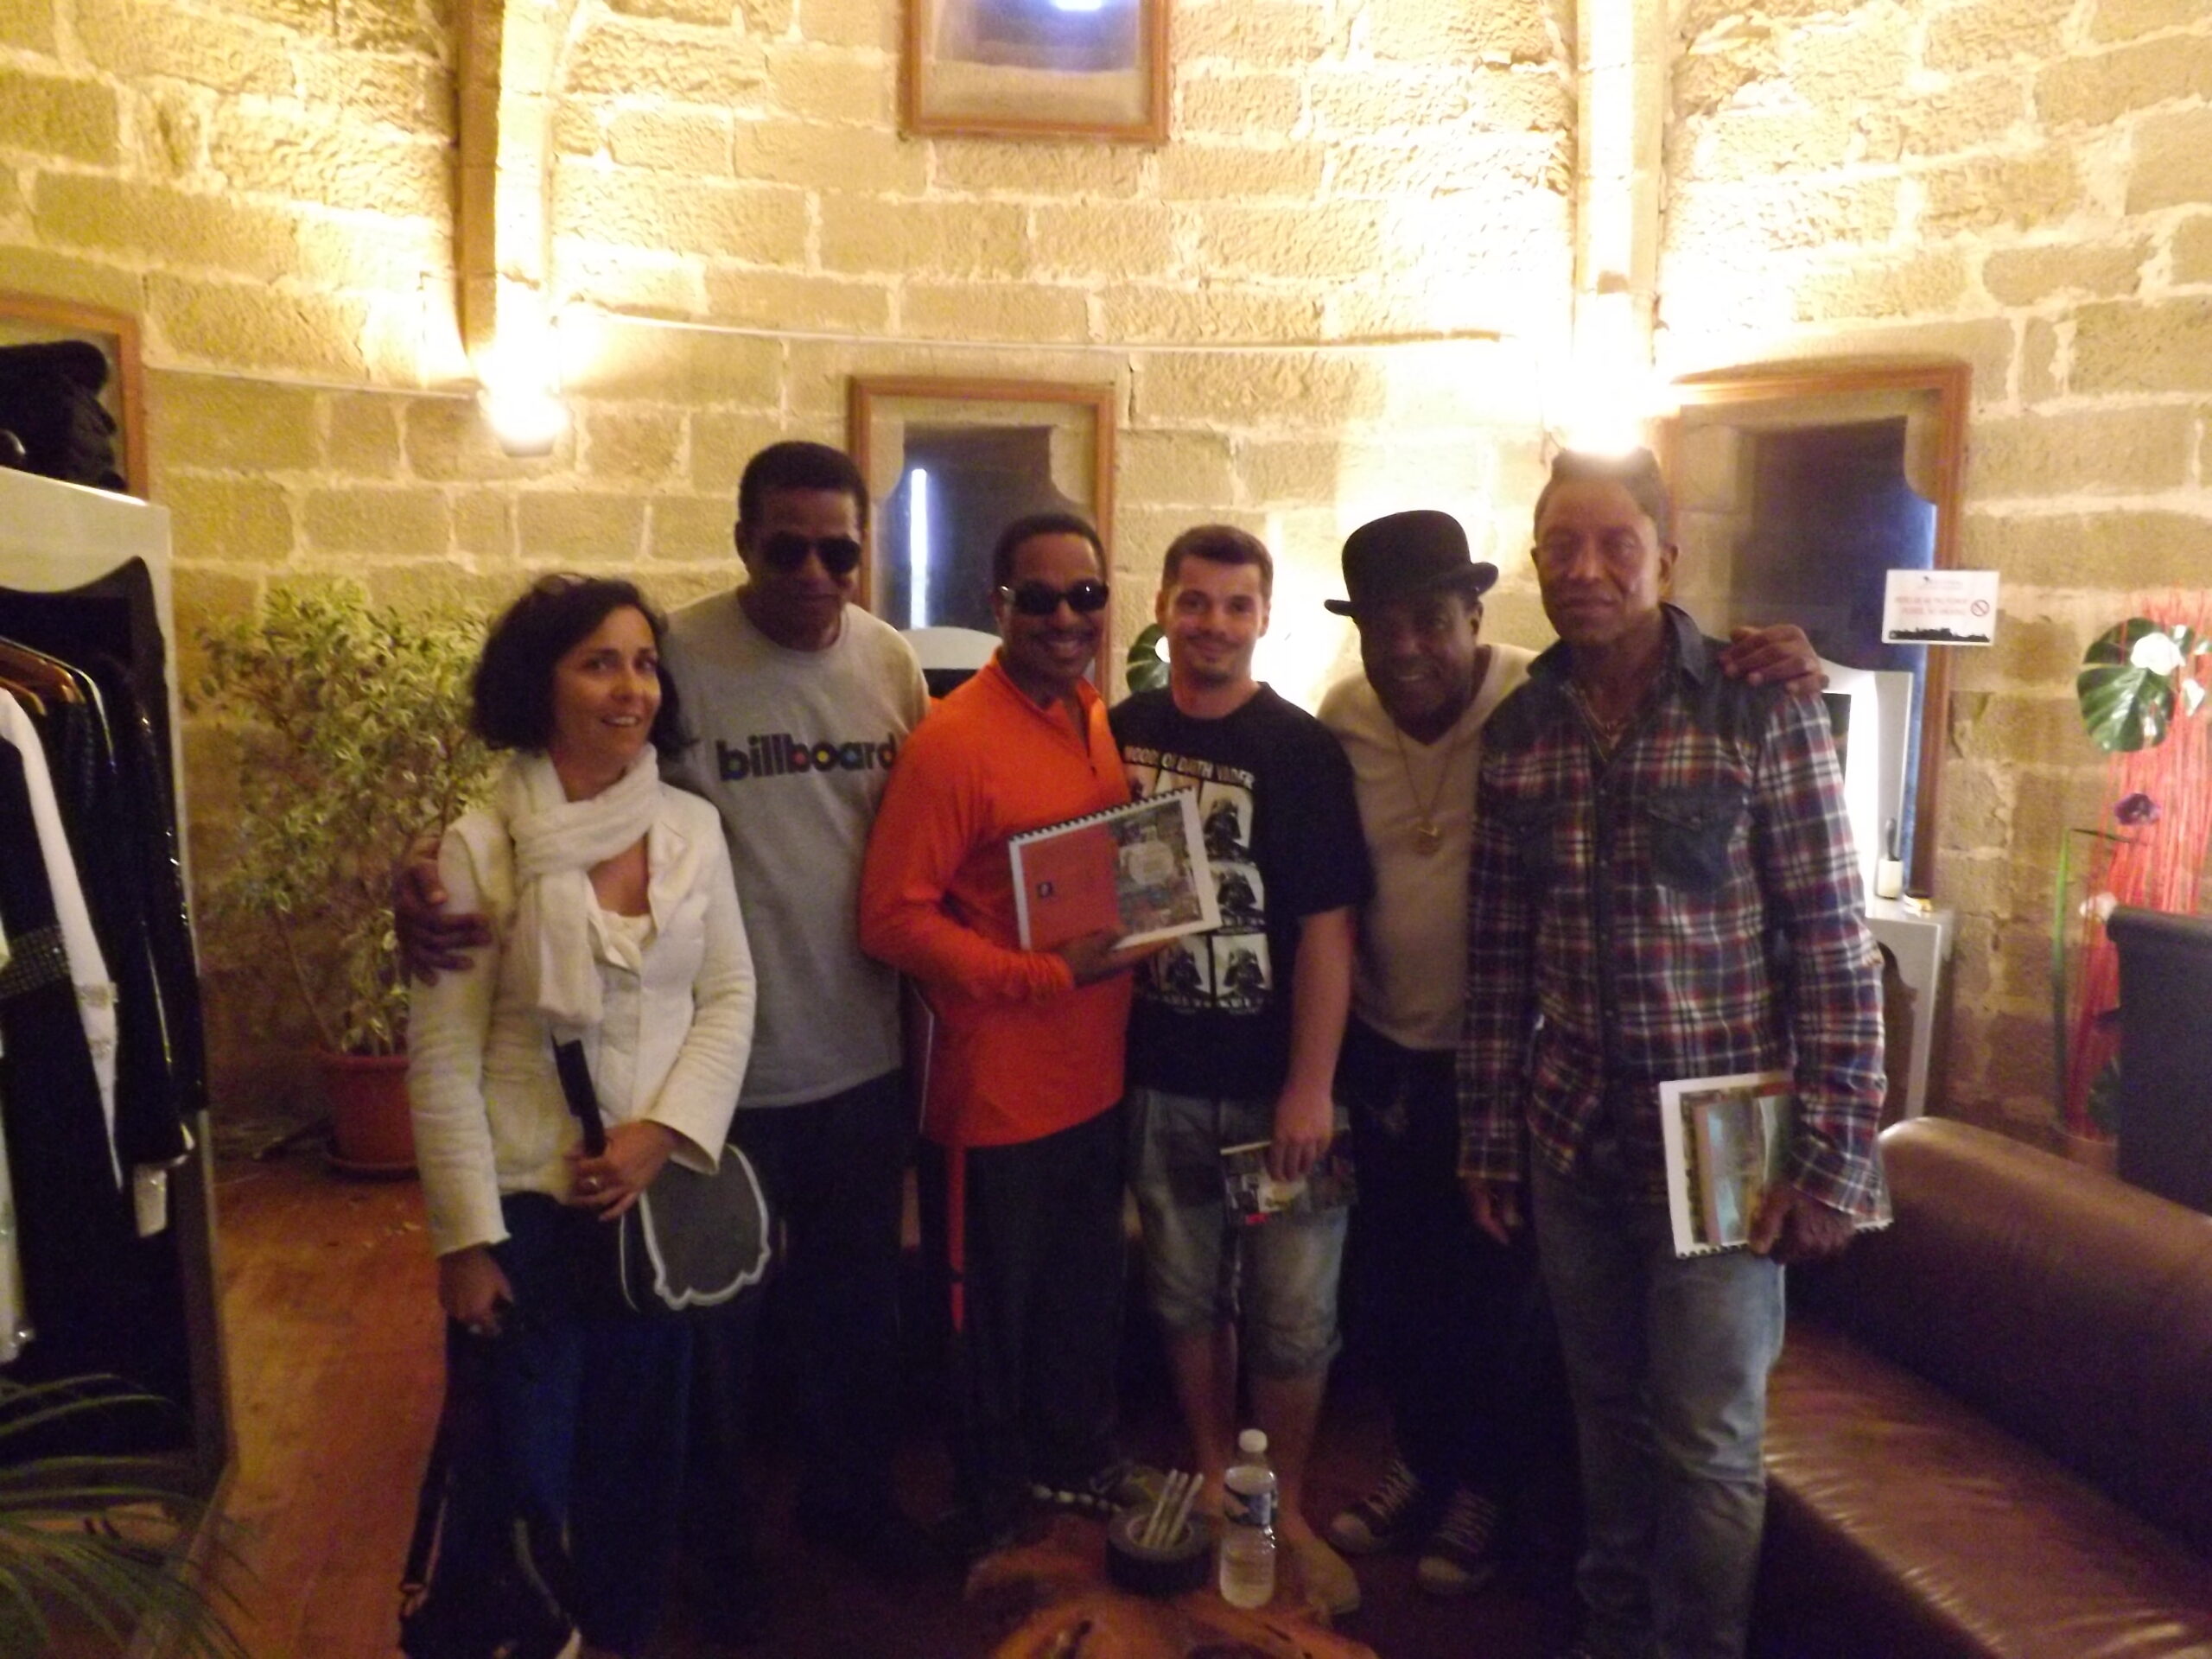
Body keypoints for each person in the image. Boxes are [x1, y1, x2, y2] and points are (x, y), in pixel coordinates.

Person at [399, 442, 935, 1628]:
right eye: (787, 547)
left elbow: (925, 836)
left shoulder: (887, 667)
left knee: (848, 1318)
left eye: (839, 549)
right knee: (697, 1353)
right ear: (743, 541)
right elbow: (547, 808)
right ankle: (710, 1561)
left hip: (847, 1057)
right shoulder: (678, 653)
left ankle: (836, 1512)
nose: (815, 570)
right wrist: (421, 882)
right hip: (688, 1105)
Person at [1316, 512, 1824, 1600]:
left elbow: (1825, 938)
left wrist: (1830, 1156)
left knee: (1671, 1410)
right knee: (1425, 1306)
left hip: (1690, 1106)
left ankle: (1495, 1498)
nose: (1406, 647)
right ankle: (1451, 1487)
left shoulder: (1546, 699)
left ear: (1475, 612)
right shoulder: (1372, 716)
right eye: (1380, 625)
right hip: (1460, 1073)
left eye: (1429, 620)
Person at [1457, 450, 1885, 1659]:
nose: (1587, 569)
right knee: (1605, 1415)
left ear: (1666, 556)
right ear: (1535, 560)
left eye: (1616, 544)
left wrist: (1834, 1160)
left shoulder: (1758, 706)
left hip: (1726, 1138)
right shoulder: (1521, 731)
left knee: (1706, 1440)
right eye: (1562, 546)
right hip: (1570, 1132)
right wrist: (1486, 1139)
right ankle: (1611, 1637)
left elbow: (1833, 942)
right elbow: (1497, 959)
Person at [408, 575, 758, 1659]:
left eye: (644, 663)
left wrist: (662, 1135)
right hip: (525, 1213)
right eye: (598, 663)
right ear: (540, 683)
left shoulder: (692, 828)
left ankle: (619, 1638)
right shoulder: (479, 847)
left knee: (638, 1472)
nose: (630, 688)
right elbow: (443, 1057)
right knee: (519, 1477)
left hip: (646, 1211)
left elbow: (729, 996)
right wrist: (464, 1244)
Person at [857, 512, 1163, 1554]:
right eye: (1039, 597)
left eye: (1086, 595)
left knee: (1083, 1296)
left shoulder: (1092, 713)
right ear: (998, 606)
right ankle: (991, 1509)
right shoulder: (953, 743)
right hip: (990, 1095)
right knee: (989, 1317)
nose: (1065, 617)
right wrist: (1041, 976)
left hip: (1095, 1076)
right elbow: (890, 918)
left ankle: (1077, 1461)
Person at [1110, 524, 1372, 1617]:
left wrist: (1311, 1086)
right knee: (1181, 1295)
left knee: (1292, 1313)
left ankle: (1287, 1502)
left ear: (1263, 617)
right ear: (1163, 608)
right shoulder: (1118, 732)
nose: (1211, 624)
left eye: (1234, 605)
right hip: (1160, 1074)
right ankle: (1218, 1471)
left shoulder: (1300, 750)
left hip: (1278, 1092)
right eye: (1194, 602)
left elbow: (1327, 931)